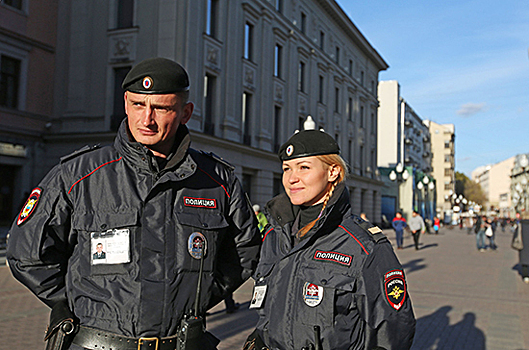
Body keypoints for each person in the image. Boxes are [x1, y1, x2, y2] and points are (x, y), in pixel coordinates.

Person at [7, 57, 261, 350]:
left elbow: (244, 252)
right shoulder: (79, 175)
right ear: (126, 103)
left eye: (161, 108)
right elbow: (27, 253)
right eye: (138, 105)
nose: (147, 120)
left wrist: (193, 297)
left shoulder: (217, 180)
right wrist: (77, 302)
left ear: (185, 112)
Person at [243, 129, 415, 350]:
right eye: (286, 169)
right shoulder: (275, 236)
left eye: (304, 167)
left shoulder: (364, 246)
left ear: (333, 171)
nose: (291, 178)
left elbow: (393, 332)